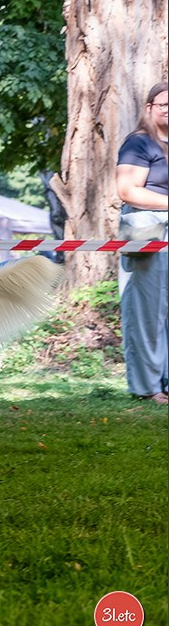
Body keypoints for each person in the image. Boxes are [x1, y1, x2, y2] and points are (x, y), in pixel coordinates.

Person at [116, 81, 168, 404]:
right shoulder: (139, 143)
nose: (167, 110)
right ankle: (148, 388)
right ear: (148, 108)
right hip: (147, 231)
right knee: (146, 312)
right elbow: (127, 190)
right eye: (162, 104)